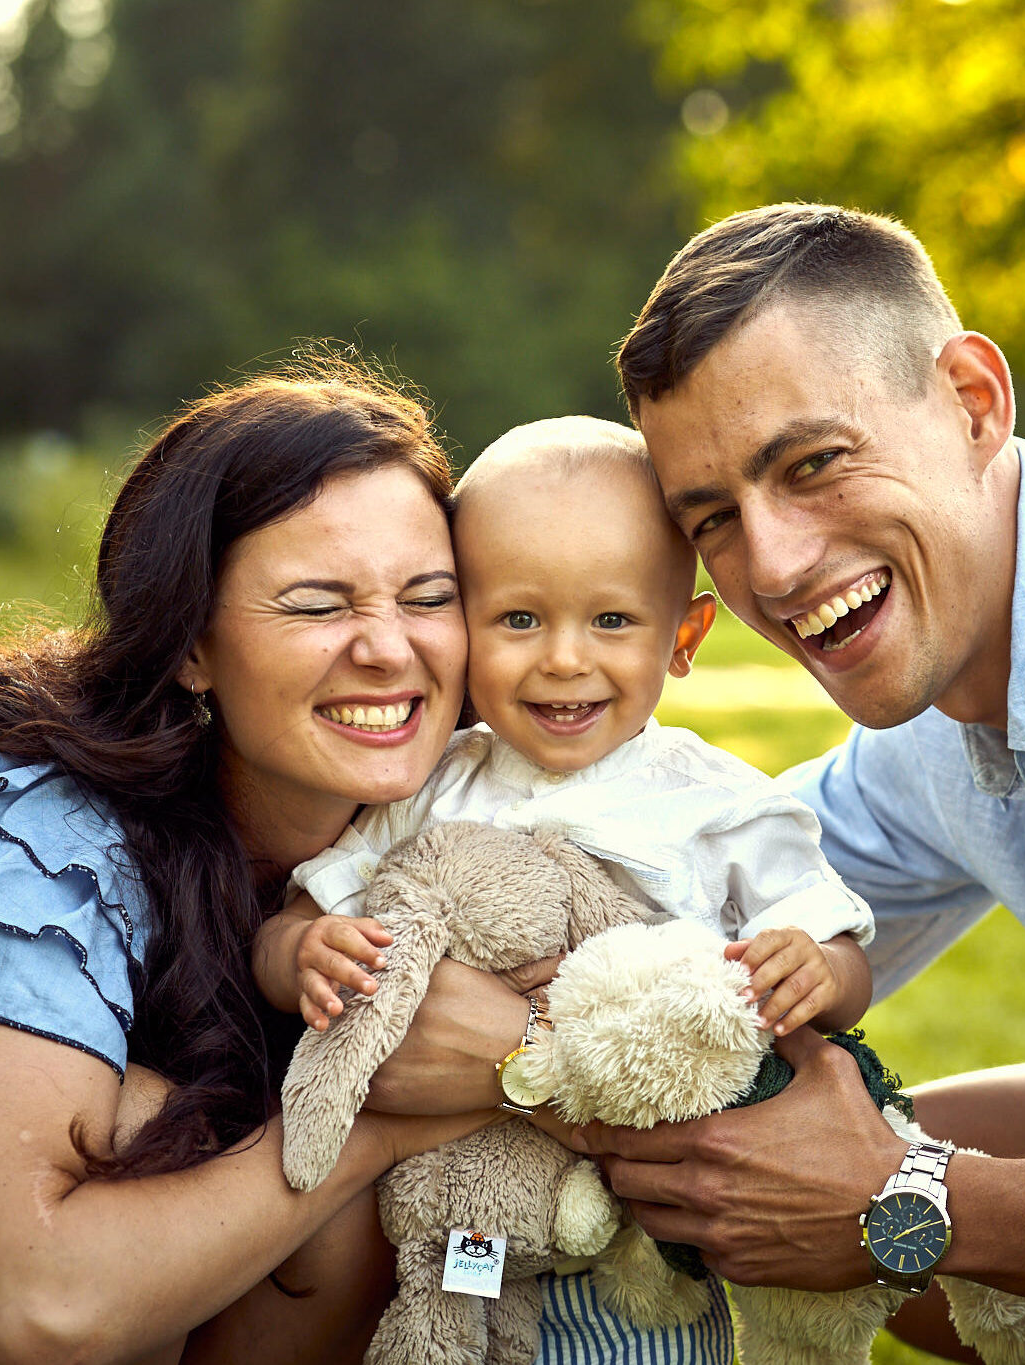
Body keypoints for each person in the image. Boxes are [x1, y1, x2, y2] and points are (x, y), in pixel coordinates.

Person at [570, 202, 1025, 1362]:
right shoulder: (935, 715)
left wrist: (920, 1199)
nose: (776, 565)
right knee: (790, 1175)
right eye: (716, 522)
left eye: (812, 464)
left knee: (897, 1197)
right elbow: (685, 910)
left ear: (973, 402)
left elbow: (908, 1199)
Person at [251, 415, 877, 1363]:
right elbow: (295, 919)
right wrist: (301, 952)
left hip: (642, 1236)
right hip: (453, 1212)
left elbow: (843, 966)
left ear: (685, 634)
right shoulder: (434, 783)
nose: (563, 659)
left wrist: (818, 970)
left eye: (612, 620)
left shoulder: (720, 806)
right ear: (463, 626)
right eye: (519, 618)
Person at [0, 360, 503, 1364]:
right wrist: (378, 1122)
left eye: (428, 596)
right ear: (191, 646)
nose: (387, 648)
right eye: (319, 603)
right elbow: (31, 1315)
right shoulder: (30, 840)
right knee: (154, 1136)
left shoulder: (482, 815)